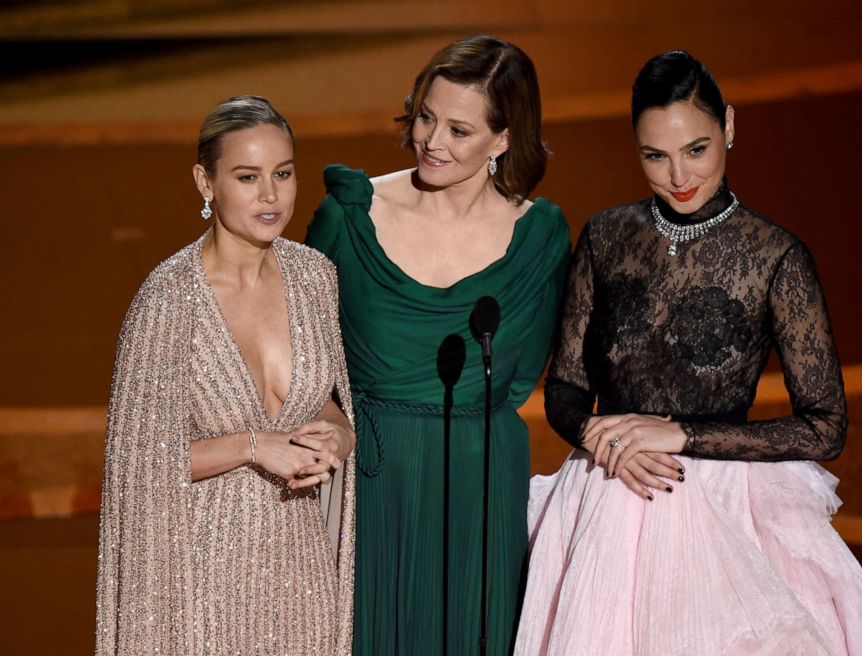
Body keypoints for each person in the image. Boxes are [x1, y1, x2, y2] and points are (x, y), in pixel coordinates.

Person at [514, 51, 862, 655]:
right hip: (604, 505)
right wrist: (597, 434)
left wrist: (681, 436)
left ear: (728, 125)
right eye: (655, 156)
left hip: (725, 514)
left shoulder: (776, 258)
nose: (679, 176)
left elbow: (825, 428)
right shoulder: (606, 236)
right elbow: (564, 387)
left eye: (696, 148)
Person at [305, 35, 571, 655]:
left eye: (459, 130)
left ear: (504, 139)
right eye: (426, 116)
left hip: (482, 489)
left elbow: (521, 375)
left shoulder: (541, 239)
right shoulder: (348, 217)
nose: (432, 141)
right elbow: (300, 364)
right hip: (369, 484)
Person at [95, 96, 356, 655]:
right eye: (247, 176)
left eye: (283, 174)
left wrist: (339, 435)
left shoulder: (315, 277)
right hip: (201, 578)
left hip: (301, 570)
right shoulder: (168, 300)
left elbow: (328, 399)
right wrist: (253, 446)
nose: (271, 195)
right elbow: (134, 464)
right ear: (205, 182)